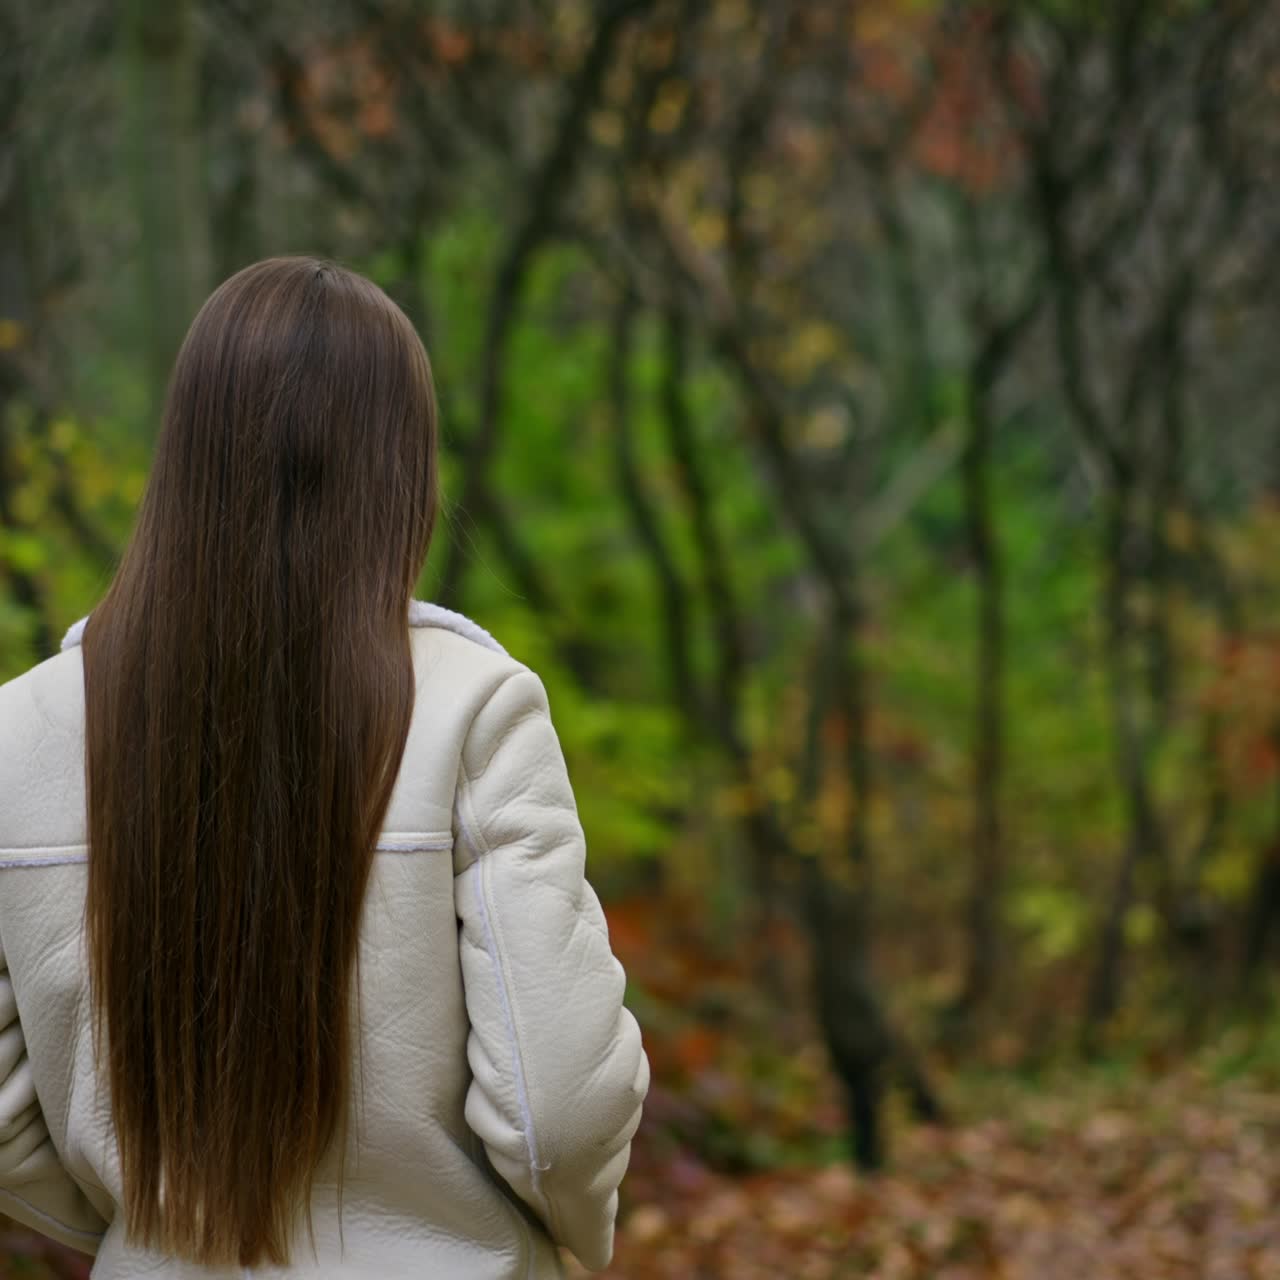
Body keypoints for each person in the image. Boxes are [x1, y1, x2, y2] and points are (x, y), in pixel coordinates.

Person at [0, 257, 650, 1277]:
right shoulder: (474, 708)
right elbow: (552, 1112)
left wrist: (151, 1234)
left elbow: (3, 1119)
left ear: (186, 456)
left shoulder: (20, 731)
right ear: (403, 471)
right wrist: (565, 1237)